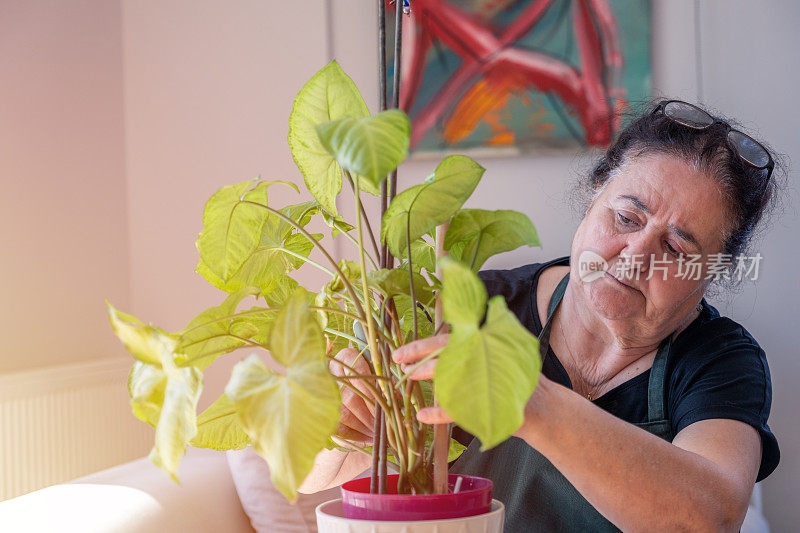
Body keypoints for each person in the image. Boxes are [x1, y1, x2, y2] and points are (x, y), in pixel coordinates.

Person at [299, 100, 782, 532]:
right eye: (626, 218)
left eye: (676, 247)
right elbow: (307, 479)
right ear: (593, 197)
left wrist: (531, 401)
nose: (634, 257)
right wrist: (341, 423)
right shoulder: (474, 310)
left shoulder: (721, 360)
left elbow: (709, 519)